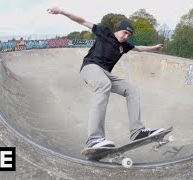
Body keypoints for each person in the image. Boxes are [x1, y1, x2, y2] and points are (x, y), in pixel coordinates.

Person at [48, 7, 165, 149]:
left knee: (132, 89)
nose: (126, 36)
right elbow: (82, 21)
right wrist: (62, 11)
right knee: (104, 85)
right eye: (125, 33)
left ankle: (137, 131)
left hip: (106, 73)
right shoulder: (104, 32)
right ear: (118, 30)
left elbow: (139, 48)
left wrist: (154, 47)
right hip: (90, 67)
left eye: (129, 35)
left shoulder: (124, 46)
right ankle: (94, 139)